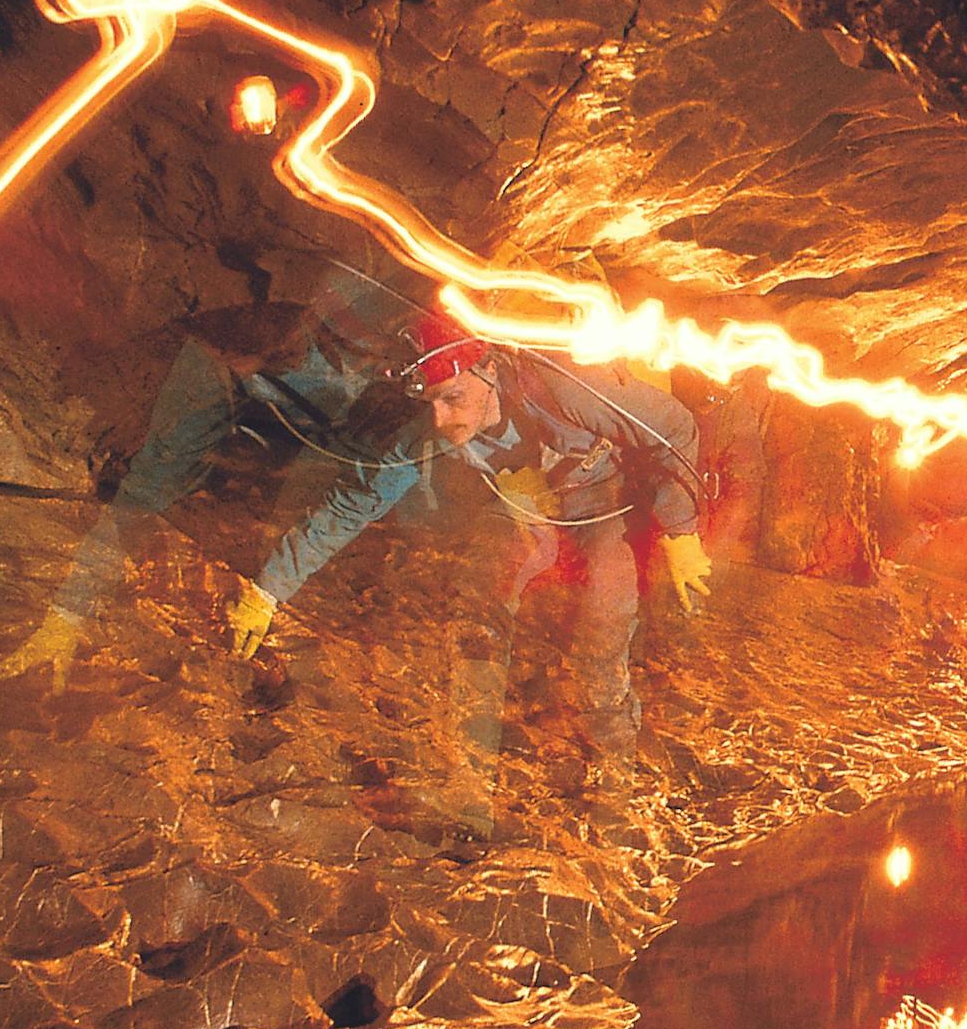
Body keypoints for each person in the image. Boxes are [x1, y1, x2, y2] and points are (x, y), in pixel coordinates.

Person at [233, 317, 710, 765]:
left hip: (605, 503)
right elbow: (354, 504)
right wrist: (267, 590)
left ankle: (612, 767)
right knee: (479, 595)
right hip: (529, 506)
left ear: (489, 372)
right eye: (431, 403)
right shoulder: (432, 430)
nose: (440, 419)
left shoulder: (564, 386)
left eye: (453, 399)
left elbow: (673, 427)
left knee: (604, 625)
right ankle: (471, 766)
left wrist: (681, 529)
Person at [0, 266, 418, 682]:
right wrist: (66, 613)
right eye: (232, 361)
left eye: (244, 361)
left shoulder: (393, 370)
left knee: (351, 478)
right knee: (170, 464)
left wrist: (270, 590)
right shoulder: (215, 359)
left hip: (339, 417)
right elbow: (151, 481)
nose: (239, 366)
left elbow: (358, 499)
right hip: (280, 404)